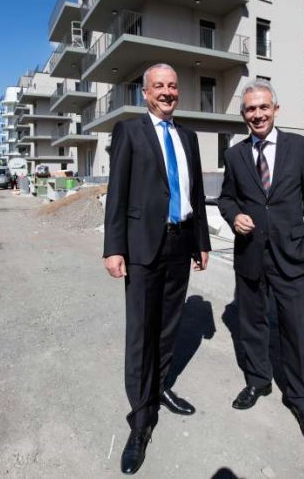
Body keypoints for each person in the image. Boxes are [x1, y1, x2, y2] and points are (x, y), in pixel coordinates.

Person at [103, 63, 211, 474]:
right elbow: (117, 192)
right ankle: (141, 418)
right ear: (145, 92)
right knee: (141, 334)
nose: (167, 92)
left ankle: (161, 386)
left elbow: (196, 193)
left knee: (169, 326)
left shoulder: (188, 136)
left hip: (180, 241)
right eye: (158, 86)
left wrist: (200, 240)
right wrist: (114, 248)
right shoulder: (130, 132)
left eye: (172, 86)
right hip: (143, 246)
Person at [218, 79, 304, 447]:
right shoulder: (234, 155)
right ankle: (258, 381)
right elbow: (226, 199)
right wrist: (233, 216)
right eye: (251, 109)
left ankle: (302, 403)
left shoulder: (301, 148)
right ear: (244, 114)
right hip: (250, 255)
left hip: (291, 255)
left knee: (296, 331)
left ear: (275, 110)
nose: (258, 114)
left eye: (264, 107)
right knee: (252, 324)